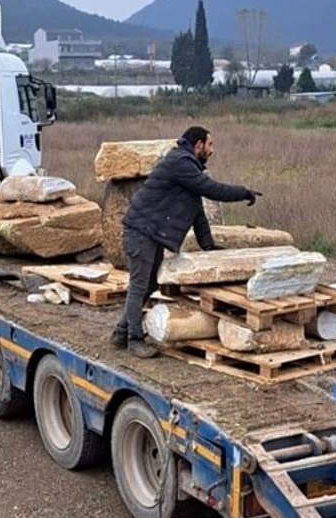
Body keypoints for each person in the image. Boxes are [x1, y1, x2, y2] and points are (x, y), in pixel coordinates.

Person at [112, 126, 261, 359]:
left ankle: (121, 332)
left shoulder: (188, 167)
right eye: (209, 144)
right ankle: (134, 340)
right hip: (140, 232)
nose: (212, 150)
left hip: (150, 233)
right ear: (198, 145)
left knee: (149, 285)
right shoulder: (180, 162)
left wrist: (208, 245)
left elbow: (196, 211)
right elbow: (212, 190)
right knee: (139, 286)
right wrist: (243, 192)